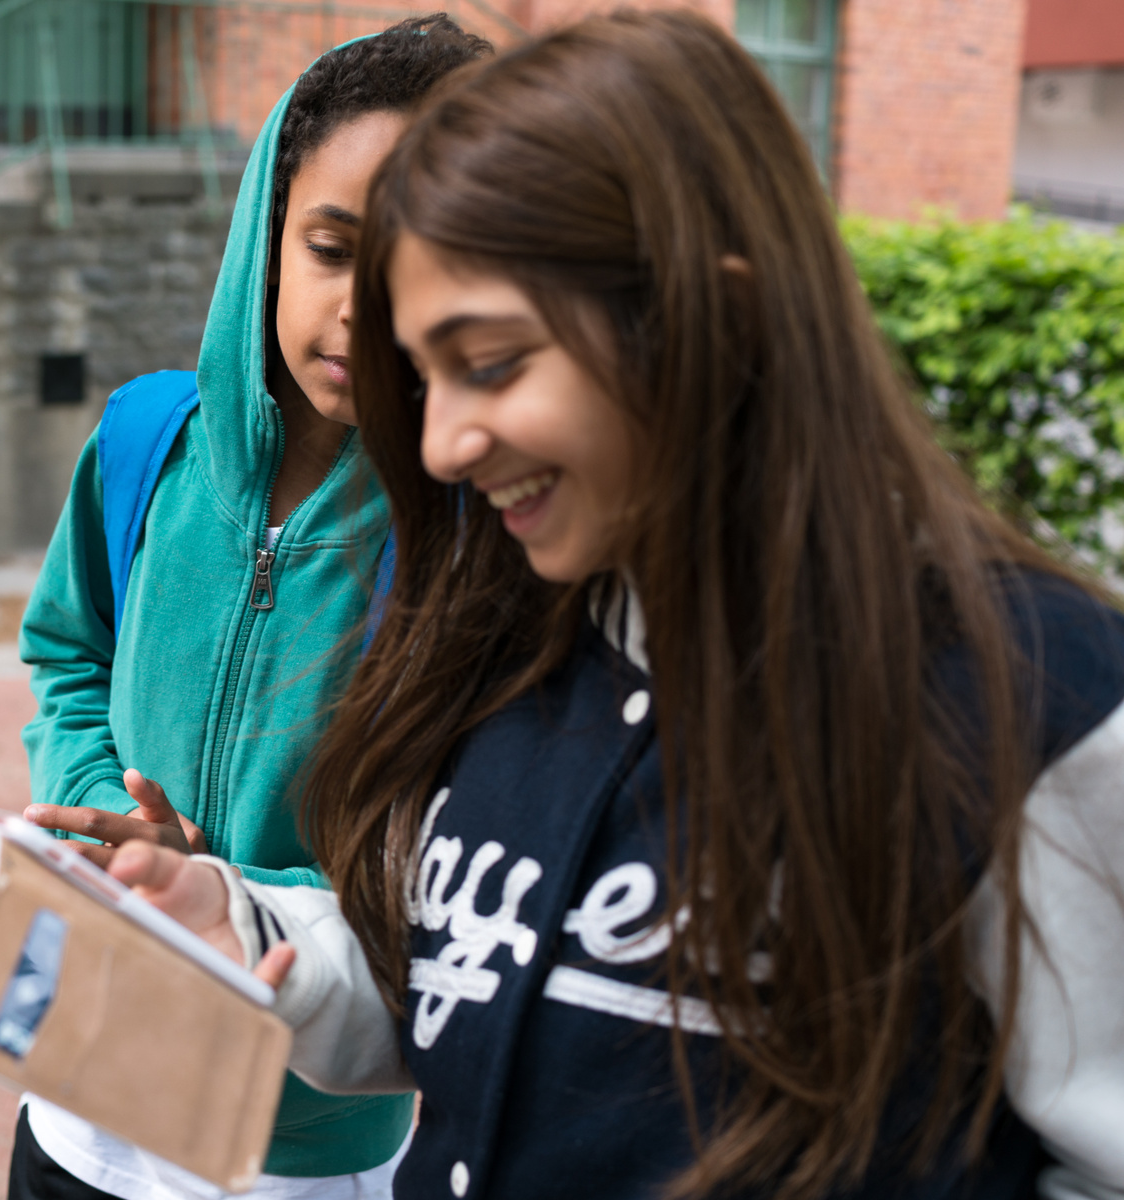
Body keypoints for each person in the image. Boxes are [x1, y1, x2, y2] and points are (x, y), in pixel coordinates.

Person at [102, 12, 1124, 1200]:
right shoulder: (506, 648)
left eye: (487, 362)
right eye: (421, 377)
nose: (437, 445)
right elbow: (458, 985)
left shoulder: (1035, 705)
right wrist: (247, 930)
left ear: (713, 316)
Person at [11, 17, 491, 1200]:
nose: (357, 315)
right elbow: (67, 648)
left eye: (415, 266)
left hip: (300, 1138)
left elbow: (462, 864)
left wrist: (232, 901)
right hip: (83, 1064)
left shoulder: (477, 542)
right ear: (266, 236)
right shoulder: (143, 441)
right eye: (330, 248)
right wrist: (105, 812)